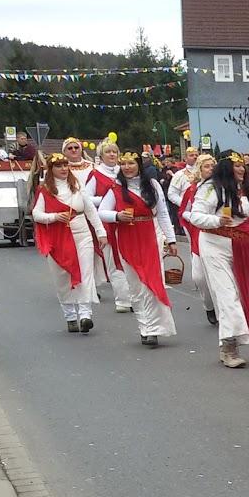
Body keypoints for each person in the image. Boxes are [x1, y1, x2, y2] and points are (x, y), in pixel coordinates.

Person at [184, 153, 249, 368]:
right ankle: (229, 347)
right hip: (214, 244)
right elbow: (194, 215)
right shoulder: (211, 188)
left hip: (240, 248)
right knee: (227, 294)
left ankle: (229, 343)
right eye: (237, 166)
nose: (241, 169)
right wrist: (217, 220)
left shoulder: (247, 190)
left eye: (243, 166)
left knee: (239, 293)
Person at [98, 149, 177, 348]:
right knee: (136, 285)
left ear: (139, 165)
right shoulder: (115, 188)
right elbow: (101, 212)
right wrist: (117, 216)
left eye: (131, 163)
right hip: (127, 238)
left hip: (150, 236)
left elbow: (163, 214)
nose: (127, 167)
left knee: (151, 283)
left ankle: (154, 328)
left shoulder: (152, 185)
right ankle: (145, 327)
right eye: (123, 164)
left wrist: (172, 239)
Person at [31, 153, 108, 333]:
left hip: (82, 233)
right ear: (51, 170)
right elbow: (36, 214)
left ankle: (85, 315)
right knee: (63, 277)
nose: (64, 168)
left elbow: (90, 209)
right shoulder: (45, 190)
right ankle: (70, 316)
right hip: (58, 237)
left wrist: (100, 232)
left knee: (85, 273)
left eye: (65, 165)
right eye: (59, 166)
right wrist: (55, 216)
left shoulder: (76, 186)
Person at [86, 140, 134, 313]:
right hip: (107, 221)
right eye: (108, 152)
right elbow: (87, 198)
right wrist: (107, 199)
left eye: (115, 151)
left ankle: (134, 296)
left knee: (130, 259)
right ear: (101, 156)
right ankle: (123, 300)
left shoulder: (125, 172)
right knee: (114, 260)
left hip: (128, 221)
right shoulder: (96, 175)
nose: (112, 155)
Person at [176, 153, 219, 325]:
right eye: (206, 166)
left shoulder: (222, 187)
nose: (210, 169)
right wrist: (194, 216)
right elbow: (182, 211)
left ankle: (220, 308)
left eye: (212, 166)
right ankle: (209, 305)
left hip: (218, 234)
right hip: (198, 233)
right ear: (200, 170)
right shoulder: (192, 189)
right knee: (199, 277)